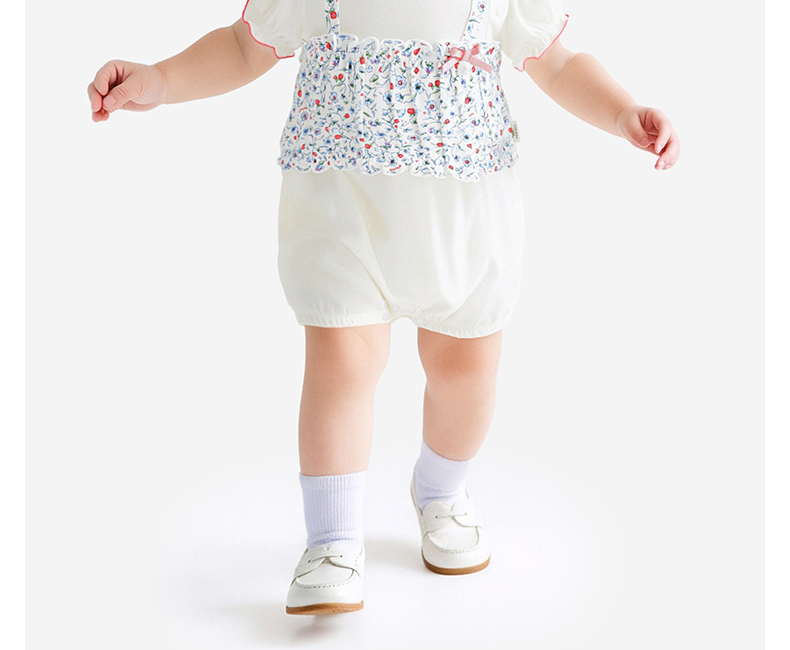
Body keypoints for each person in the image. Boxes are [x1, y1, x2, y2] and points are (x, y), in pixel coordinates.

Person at [87, 0, 680, 616]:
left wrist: (621, 112)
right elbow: (243, 46)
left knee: (466, 372)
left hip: (462, 225)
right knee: (340, 367)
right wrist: (161, 79)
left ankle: (441, 491)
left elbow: (557, 62)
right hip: (345, 218)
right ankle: (333, 539)